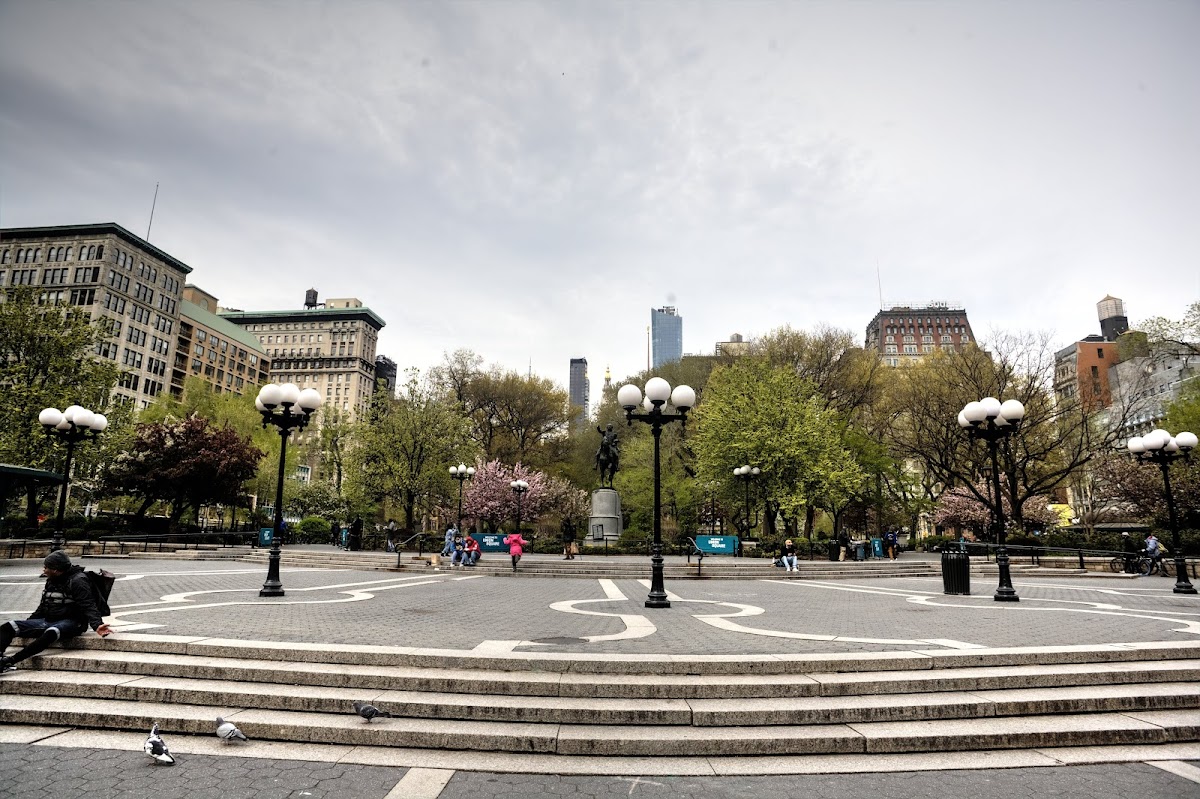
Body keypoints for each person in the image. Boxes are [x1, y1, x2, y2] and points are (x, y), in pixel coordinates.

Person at [1, 551, 112, 673]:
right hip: (49, 620)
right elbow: (44, 605)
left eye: (46, 567)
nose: (43, 570)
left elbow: (88, 605)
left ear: (55, 569)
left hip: (73, 622)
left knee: (51, 632)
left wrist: (97, 625)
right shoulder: (52, 579)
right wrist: (29, 624)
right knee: (9, 626)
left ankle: (9, 661)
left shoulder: (78, 581)